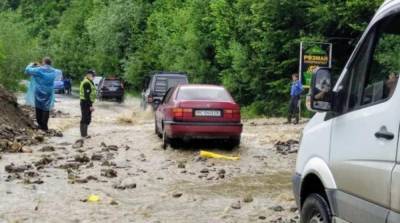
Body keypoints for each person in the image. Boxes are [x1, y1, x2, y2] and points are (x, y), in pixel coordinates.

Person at [25, 57, 59, 131]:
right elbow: (58, 74)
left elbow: (27, 70)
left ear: (44, 62)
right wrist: (40, 66)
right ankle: (45, 126)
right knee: (46, 108)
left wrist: (31, 64)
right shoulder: (54, 71)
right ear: (50, 63)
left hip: (39, 91)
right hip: (49, 91)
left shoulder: (38, 70)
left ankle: (40, 124)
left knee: (38, 106)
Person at [80, 70, 97, 137]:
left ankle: (84, 134)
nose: (94, 77)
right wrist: (90, 106)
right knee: (85, 118)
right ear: (89, 75)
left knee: (87, 119)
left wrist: (91, 104)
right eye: (93, 76)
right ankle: (83, 135)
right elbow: (87, 95)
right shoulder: (86, 83)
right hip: (85, 102)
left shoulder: (89, 82)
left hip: (87, 102)